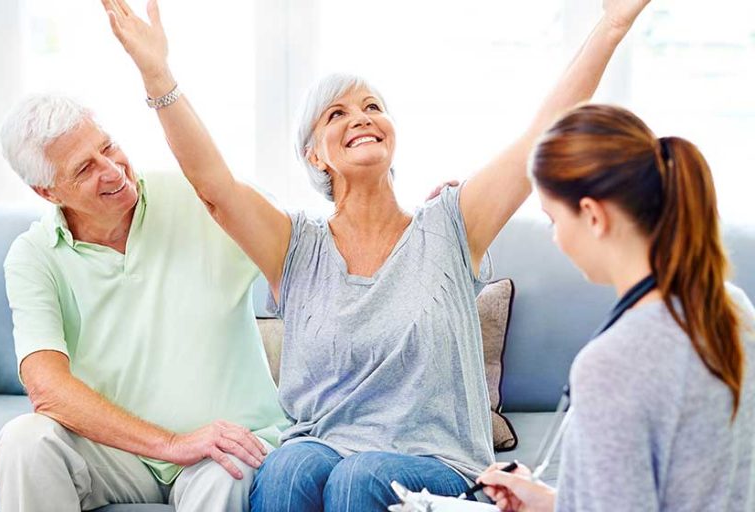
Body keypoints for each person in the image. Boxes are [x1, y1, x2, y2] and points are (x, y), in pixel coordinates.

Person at [101, 0, 651, 509]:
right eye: (336, 114)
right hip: (322, 447)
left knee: (360, 478)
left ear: (391, 132)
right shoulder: (296, 247)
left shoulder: (451, 226)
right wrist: (158, 75)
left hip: (440, 465)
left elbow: (541, 134)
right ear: (314, 155)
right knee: (290, 465)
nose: (360, 117)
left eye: (372, 107)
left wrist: (609, 27)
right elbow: (215, 188)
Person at [0, 95, 289, 511]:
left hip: (222, 445)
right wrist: (170, 444)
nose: (112, 170)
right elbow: (47, 389)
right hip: (120, 456)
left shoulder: (197, 197)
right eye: (84, 168)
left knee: (230, 467)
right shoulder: (33, 254)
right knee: (24, 441)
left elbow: (298, 246)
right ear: (47, 191)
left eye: (108, 146)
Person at [477, 104, 755, 511]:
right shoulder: (731, 307)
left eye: (553, 221)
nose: (556, 239)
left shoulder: (613, 363)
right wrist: (557, 502)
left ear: (591, 215)